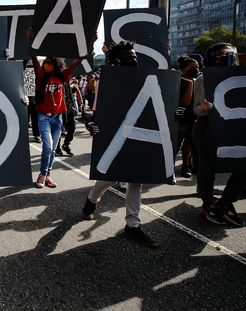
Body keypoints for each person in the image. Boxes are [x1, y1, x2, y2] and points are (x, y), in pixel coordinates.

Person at [81, 41, 159, 249]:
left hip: (138, 135)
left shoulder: (147, 78)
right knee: (112, 178)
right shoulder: (106, 82)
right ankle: (92, 198)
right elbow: (99, 113)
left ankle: (132, 225)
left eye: (135, 56)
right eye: (129, 57)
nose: (134, 60)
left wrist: (174, 116)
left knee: (136, 180)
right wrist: (92, 124)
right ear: (116, 61)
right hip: (116, 135)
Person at [193, 43, 246, 226]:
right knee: (208, 168)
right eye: (228, 56)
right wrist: (203, 108)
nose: (233, 60)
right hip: (208, 128)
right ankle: (208, 205)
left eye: (234, 56)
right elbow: (196, 108)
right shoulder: (203, 79)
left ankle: (225, 203)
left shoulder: (243, 78)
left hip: (234, 127)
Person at [28, 47, 84, 189]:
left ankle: (47, 175)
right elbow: (34, 57)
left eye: (48, 62)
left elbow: (77, 62)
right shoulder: (41, 76)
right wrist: (31, 41)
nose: (45, 65)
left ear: (55, 64)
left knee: (53, 150)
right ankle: (42, 174)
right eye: (44, 62)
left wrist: (89, 43)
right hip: (44, 117)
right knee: (48, 147)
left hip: (57, 118)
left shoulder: (62, 76)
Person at [172, 56, 199, 181]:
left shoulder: (198, 80)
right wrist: (190, 83)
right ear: (184, 69)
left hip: (194, 118)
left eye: (197, 67)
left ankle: (186, 165)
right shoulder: (179, 82)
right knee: (176, 144)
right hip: (181, 118)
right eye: (193, 68)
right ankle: (168, 169)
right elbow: (186, 102)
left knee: (191, 143)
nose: (196, 70)